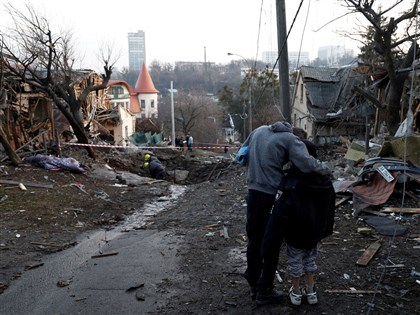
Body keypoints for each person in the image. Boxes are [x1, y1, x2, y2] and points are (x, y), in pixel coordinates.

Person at [241, 121, 331, 306]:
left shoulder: (258, 130)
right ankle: (264, 290)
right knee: (271, 242)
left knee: (254, 238)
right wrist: (326, 169)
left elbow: (242, 154)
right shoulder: (291, 139)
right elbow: (306, 164)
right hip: (271, 196)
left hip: (253, 192)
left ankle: (253, 281)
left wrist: (259, 168)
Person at [278, 131, 335, 306]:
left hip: (295, 231)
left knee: (295, 260)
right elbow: (330, 209)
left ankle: (295, 292)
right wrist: (323, 230)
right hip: (314, 231)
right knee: (310, 259)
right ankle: (311, 291)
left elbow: (284, 209)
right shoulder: (325, 182)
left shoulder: (291, 181)